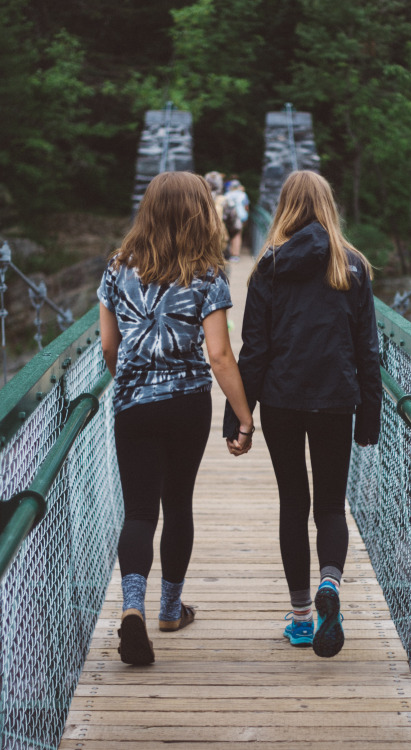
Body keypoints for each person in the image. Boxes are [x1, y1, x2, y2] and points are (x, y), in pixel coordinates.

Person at [223, 170, 382, 658]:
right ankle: (330, 583)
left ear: (284, 209)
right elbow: (368, 350)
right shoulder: (352, 266)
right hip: (338, 399)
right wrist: (370, 416)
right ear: (328, 206)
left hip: (283, 400)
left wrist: (239, 419)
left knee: (293, 502)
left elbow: (253, 352)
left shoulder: (267, 268)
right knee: (331, 505)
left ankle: (299, 619)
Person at [98, 171, 253, 666]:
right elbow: (220, 355)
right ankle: (169, 609)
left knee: (140, 511)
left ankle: (132, 610)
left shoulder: (116, 269)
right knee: (178, 503)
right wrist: (244, 416)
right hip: (187, 405)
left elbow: (107, 346)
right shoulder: (207, 274)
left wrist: (129, 382)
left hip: (133, 405)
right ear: (200, 213)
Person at [204, 171, 242, 261]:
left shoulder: (198, 201)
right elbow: (236, 226)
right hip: (221, 250)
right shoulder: (226, 201)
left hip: (201, 250)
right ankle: (234, 256)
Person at [225, 179, 250, 263]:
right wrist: (246, 219)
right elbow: (246, 207)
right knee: (237, 235)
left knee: (228, 235)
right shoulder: (243, 195)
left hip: (228, 218)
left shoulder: (227, 194)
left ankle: (228, 253)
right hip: (239, 218)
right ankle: (235, 255)